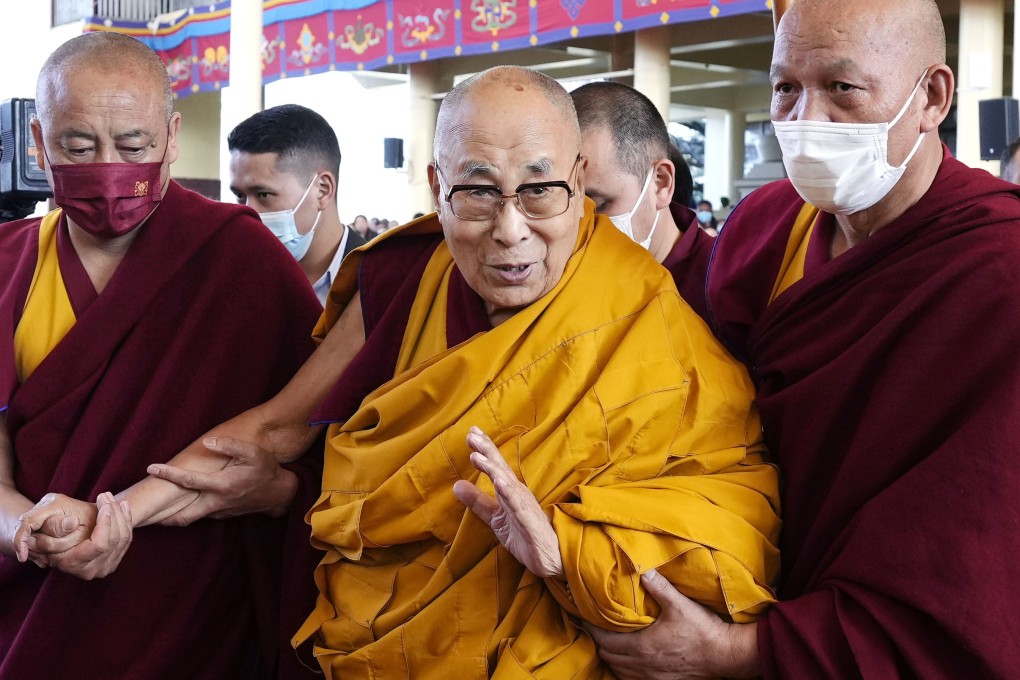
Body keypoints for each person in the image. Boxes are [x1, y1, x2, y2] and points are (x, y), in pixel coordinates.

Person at [67, 64, 777, 678]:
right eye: (477, 191)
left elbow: (733, 515)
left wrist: (570, 551)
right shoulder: (407, 280)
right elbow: (274, 430)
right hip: (384, 638)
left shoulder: (644, 312)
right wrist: (118, 515)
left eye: (539, 190)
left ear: (578, 179)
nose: (510, 230)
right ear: (437, 185)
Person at [585, 0, 1020, 677]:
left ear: (931, 97)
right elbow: (707, 430)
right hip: (739, 576)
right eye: (786, 87)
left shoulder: (997, 273)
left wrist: (740, 652)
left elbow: (973, 543)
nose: (804, 122)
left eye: (842, 89)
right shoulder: (763, 227)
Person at [0, 32, 322, 679]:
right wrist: (26, 529)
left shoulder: (243, 260)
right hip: (30, 614)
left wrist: (281, 492)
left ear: (172, 138)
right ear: (38, 142)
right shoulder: (6, 265)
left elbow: (332, 442)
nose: (109, 169)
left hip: (197, 625)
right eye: (78, 147)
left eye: (134, 146)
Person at [571, 81, 713, 318]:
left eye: (597, 205)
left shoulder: (723, 290)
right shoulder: (554, 286)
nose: (576, 227)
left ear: (660, 183)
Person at [228, 104, 366, 306]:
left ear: (323, 190)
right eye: (240, 195)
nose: (249, 212)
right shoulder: (234, 281)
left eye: (264, 194)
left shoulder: (384, 282)